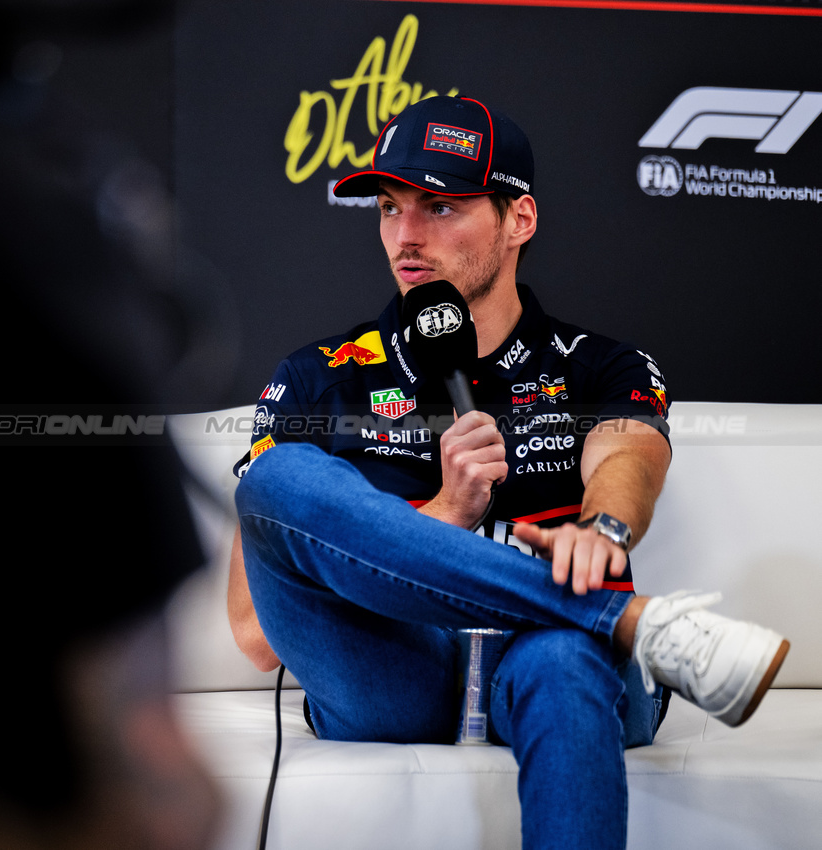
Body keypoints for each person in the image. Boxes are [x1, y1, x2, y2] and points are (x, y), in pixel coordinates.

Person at [226, 95, 790, 850]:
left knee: (562, 661)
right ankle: (631, 620)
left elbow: (627, 455)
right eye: (390, 208)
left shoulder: (598, 364)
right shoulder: (318, 376)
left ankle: (598, 624)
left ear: (517, 220)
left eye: (439, 206)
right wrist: (447, 511)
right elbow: (257, 637)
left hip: (547, 650)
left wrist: (604, 528)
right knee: (277, 477)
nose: (405, 236)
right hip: (392, 665)